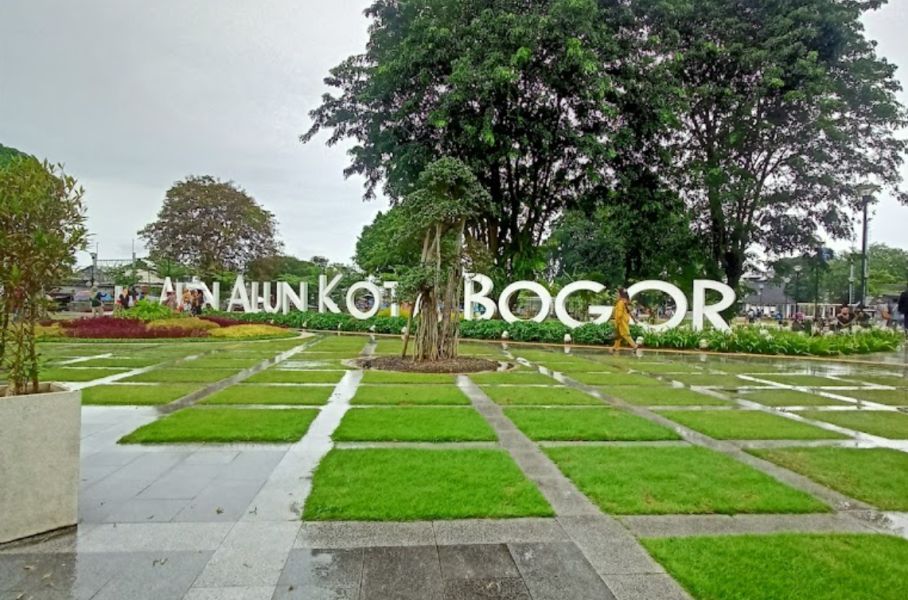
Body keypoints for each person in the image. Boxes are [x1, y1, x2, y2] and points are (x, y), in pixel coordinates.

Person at [611, 288, 638, 352]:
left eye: (618, 293)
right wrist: (634, 320)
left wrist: (618, 320)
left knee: (625, 334)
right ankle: (615, 348)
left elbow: (620, 313)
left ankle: (634, 345)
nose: (617, 294)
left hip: (620, 320)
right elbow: (629, 312)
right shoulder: (625, 302)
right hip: (624, 320)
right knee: (618, 335)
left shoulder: (620, 302)